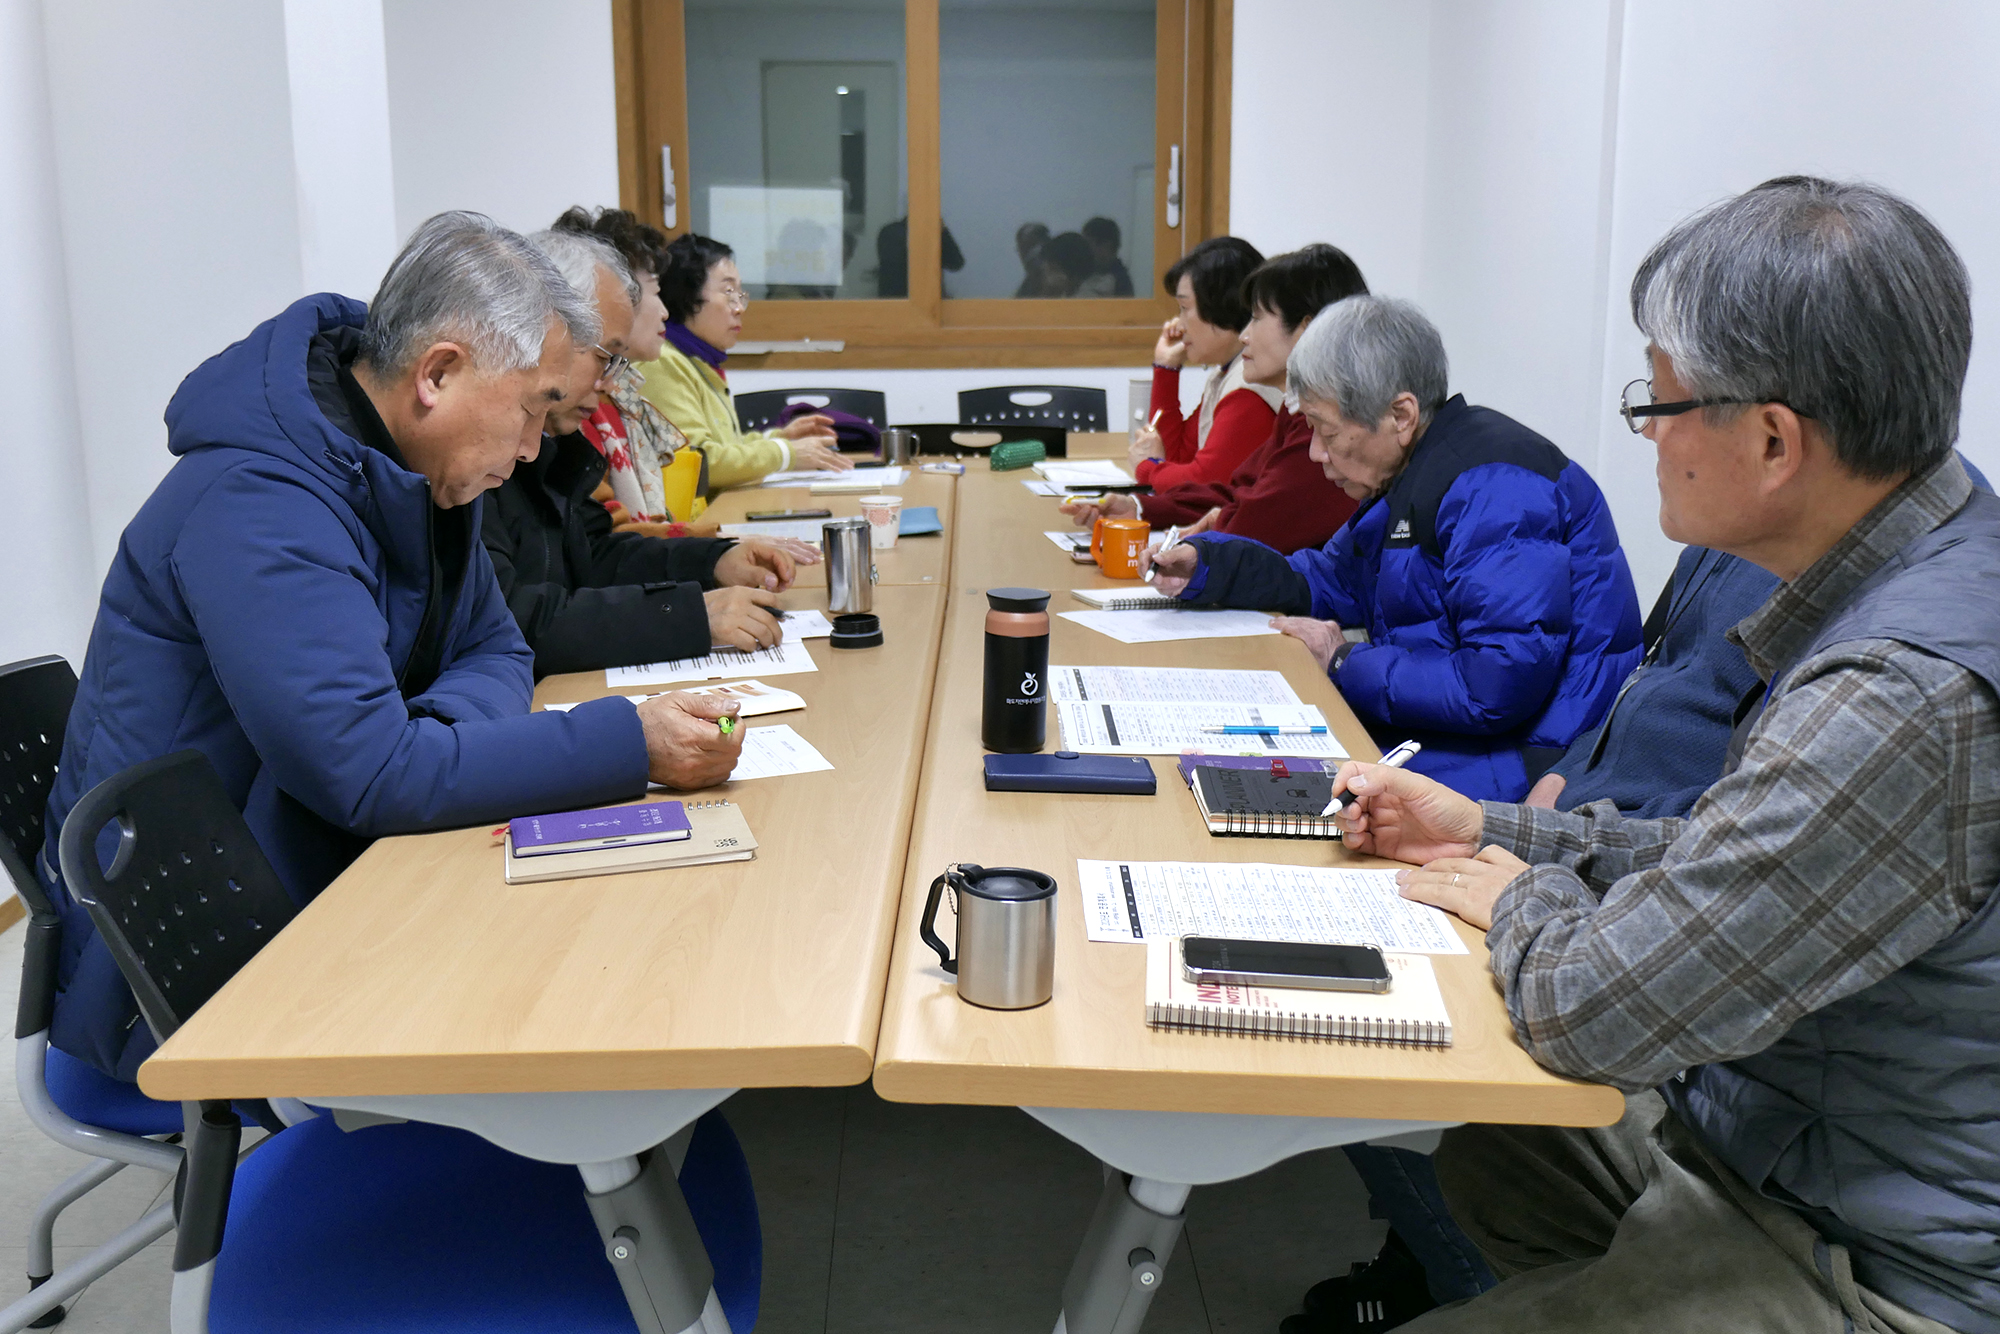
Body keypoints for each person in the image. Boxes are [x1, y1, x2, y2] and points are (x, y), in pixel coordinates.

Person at [1333, 177, 2000, 1334]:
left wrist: (1520, 889)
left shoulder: (1895, 695)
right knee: (1493, 1136)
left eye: (1659, 400)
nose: (1643, 432)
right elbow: (1732, 854)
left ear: (1772, 440)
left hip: (1868, 1259)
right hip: (1768, 1131)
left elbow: (1592, 1010)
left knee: (1516, 1051)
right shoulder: (1918, 556)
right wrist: (1486, 826)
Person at [37, 212, 746, 1082]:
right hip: (190, 974)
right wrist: (627, 740)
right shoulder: (262, 504)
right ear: (437, 374)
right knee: (588, 1015)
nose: (533, 448)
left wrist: (428, 741)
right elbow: (372, 776)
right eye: (529, 409)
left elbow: (498, 650)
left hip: (318, 875)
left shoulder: (415, 473)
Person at [1146, 295, 1642, 804]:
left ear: (1400, 415)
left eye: (1326, 431)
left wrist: (1343, 661)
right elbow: (1326, 579)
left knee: (1268, 795)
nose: (1315, 452)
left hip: (1530, 761)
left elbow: (1494, 688)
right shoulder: (1413, 473)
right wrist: (1209, 565)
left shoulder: (1496, 488)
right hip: (1454, 733)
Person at [482, 230, 797, 677]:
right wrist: (687, 615)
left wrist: (713, 562)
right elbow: (511, 619)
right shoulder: (478, 457)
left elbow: (593, 557)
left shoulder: (552, 445)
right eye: (606, 357)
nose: (612, 382)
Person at [1061, 244, 1365, 554]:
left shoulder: (1325, 425)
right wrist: (1141, 508)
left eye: (1257, 318)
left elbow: (1252, 524)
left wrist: (1154, 476)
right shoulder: (1295, 409)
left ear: (1306, 329)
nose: (1245, 335)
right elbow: (1234, 491)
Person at [636, 232, 851, 490]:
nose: (739, 308)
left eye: (740, 294)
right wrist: (785, 453)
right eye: (728, 292)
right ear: (688, 296)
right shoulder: (662, 363)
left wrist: (780, 438)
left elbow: (726, 447)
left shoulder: (698, 361)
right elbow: (698, 460)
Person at [549, 206, 709, 535]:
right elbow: (603, 538)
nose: (665, 312)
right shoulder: (572, 413)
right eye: (654, 291)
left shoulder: (619, 394)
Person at [1129, 236, 1284, 489]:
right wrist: (1166, 366)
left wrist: (1148, 468)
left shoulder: (1249, 388)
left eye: (1184, 307)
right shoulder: (1227, 373)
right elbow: (1178, 457)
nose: (1179, 324)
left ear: (1221, 306)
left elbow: (1203, 484)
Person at [874, 216, 965, 298]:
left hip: (926, 301)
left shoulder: (934, 233)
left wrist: (943, 231)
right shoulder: (892, 232)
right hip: (899, 301)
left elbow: (956, 263)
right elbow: (899, 264)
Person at [1081, 216, 1134, 297]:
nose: (1084, 250)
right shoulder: (1082, 273)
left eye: (1088, 244)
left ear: (1106, 245)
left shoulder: (1120, 282)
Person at [1013, 222, 1053, 297]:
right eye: (1023, 248)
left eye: (1032, 247)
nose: (1030, 254)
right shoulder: (1025, 288)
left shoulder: (1059, 280)